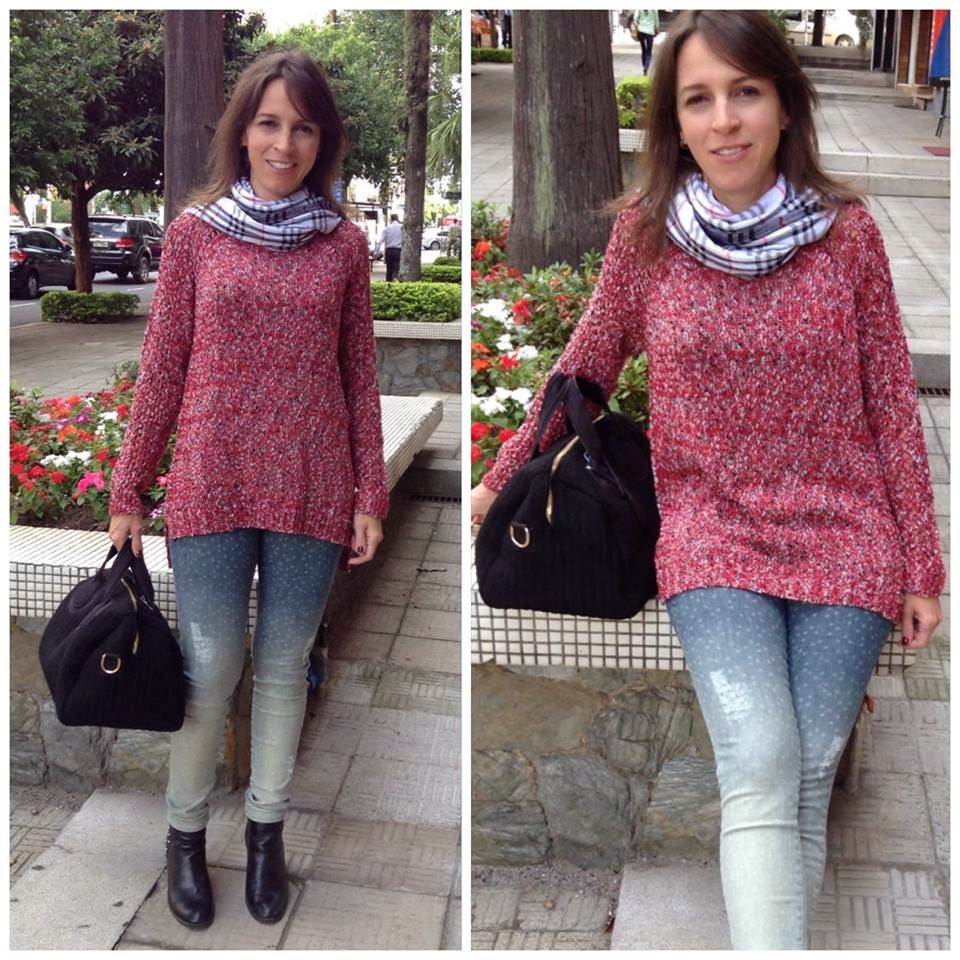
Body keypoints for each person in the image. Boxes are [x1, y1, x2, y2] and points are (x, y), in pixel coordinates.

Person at [471, 10, 943, 950]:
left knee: (804, 775)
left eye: (745, 92)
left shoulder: (846, 235)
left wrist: (921, 565)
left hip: (846, 538)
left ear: (784, 104)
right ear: (675, 122)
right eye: (698, 99)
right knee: (762, 759)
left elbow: (892, 400)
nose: (724, 119)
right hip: (712, 535)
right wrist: (504, 473)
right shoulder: (647, 235)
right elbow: (584, 367)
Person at [108, 50, 388, 930]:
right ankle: (185, 838)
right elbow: (163, 368)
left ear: (322, 139)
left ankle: (267, 836)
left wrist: (369, 494)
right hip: (212, 482)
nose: (284, 143)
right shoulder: (196, 235)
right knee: (210, 671)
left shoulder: (344, 244)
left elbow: (359, 377)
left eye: (303, 127)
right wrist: (129, 488)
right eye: (269, 123)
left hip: (311, 487)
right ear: (242, 131)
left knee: (281, 670)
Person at [633, 8, 659, 75]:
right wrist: (657, 29)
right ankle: (646, 66)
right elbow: (656, 21)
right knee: (649, 51)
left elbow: (635, 19)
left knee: (643, 49)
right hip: (650, 32)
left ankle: (644, 65)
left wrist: (637, 25)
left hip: (641, 31)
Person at [378, 213, 403, 281]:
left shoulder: (386, 228)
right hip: (398, 251)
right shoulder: (402, 227)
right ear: (397, 219)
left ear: (390, 219)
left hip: (389, 251)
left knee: (389, 269)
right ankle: (396, 281)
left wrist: (376, 252)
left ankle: (388, 282)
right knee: (397, 268)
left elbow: (381, 241)